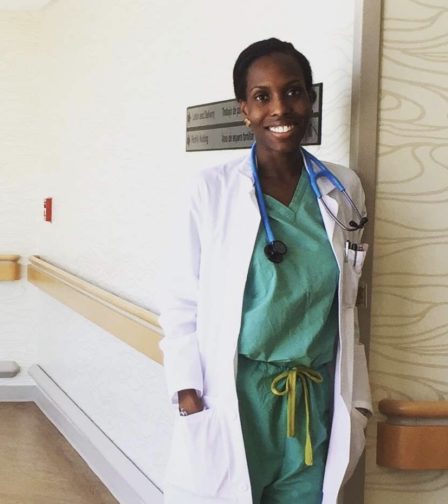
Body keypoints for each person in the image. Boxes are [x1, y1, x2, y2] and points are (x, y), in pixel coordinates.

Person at [158, 38, 372, 504]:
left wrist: (359, 400)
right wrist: (187, 391)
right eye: (263, 96)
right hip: (236, 392)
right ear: (244, 110)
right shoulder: (210, 190)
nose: (281, 107)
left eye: (293, 92)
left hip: (316, 393)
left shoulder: (343, 188)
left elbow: (350, 301)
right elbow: (180, 299)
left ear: (311, 100)